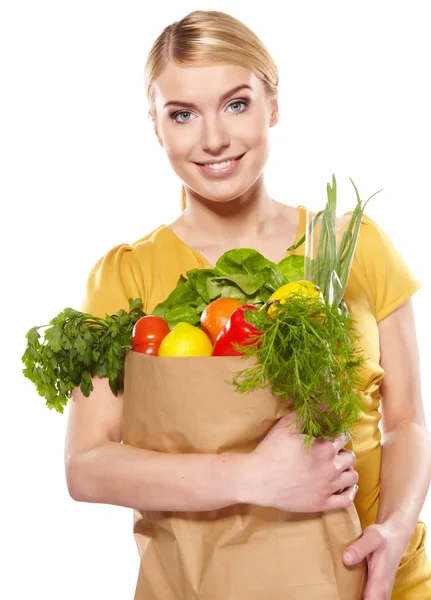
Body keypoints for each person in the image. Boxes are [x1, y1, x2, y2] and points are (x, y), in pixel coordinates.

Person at [64, 9, 431, 599]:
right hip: (209, 585)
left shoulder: (354, 246)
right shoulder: (127, 276)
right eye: (182, 114)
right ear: (156, 127)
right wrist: (253, 478)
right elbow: (87, 466)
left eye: (236, 104)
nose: (213, 139)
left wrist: (391, 530)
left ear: (273, 105)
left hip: (381, 583)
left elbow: (409, 422)